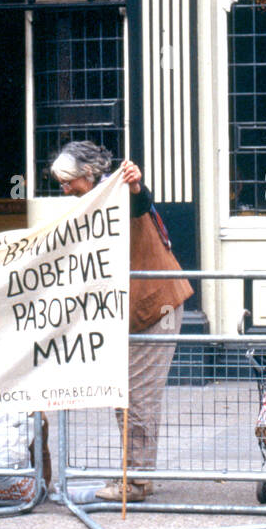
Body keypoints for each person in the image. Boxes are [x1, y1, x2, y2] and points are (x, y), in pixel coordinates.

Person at [52, 141, 193, 502]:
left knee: (134, 395)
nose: (65, 190)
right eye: (61, 183)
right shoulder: (94, 199)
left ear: (89, 174)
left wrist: (134, 185)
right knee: (129, 394)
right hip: (139, 309)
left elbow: (138, 203)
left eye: (69, 182)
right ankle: (137, 472)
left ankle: (136, 481)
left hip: (153, 307)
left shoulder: (114, 195)